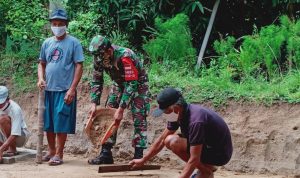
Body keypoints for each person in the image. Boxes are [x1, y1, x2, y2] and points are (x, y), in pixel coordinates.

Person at [130, 87, 233, 178]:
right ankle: (206, 170)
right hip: (206, 146)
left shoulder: (196, 121)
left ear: (176, 108)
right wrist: (143, 160)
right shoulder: (177, 114)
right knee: (168, 140)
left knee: (174, 141)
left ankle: (206, 171)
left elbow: (194, 158)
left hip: (219, 153)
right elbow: (162, 140)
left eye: (166, 112)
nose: (166, 116)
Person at [87, 35, 151, 165]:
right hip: (118, 83)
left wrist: (121, 109)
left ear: (109, 50)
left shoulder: (125, 56)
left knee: (139, 116)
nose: (98, 58)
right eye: (97, 55)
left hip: (138, 84)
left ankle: (138, 156)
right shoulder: (98, 57)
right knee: (108, 113)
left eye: (101, 54)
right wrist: (94, 103)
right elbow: (96, 80)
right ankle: (106, 153)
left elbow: (132, 84)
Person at [37, 9, 84, 166]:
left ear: (66, 25)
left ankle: (59, 154)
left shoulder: (74, 43)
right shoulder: (47, 43)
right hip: (48, 90)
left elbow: (79, 66)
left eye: (60, 24)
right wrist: (40, 78)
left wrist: (72, 88)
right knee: (48, 123)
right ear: (51, 25)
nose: (57, 26)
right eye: (54, 24)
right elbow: (41, 63)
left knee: (61, 121)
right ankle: (51, 151)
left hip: (64, 89)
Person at [0, 86, 30, 163]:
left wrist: (1, 149)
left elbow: (15, 133)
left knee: (3, 119)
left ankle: (12, 149)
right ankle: (5, 147)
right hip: (4, 136)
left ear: (7, 99)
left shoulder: (15, 109)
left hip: (20, 136)